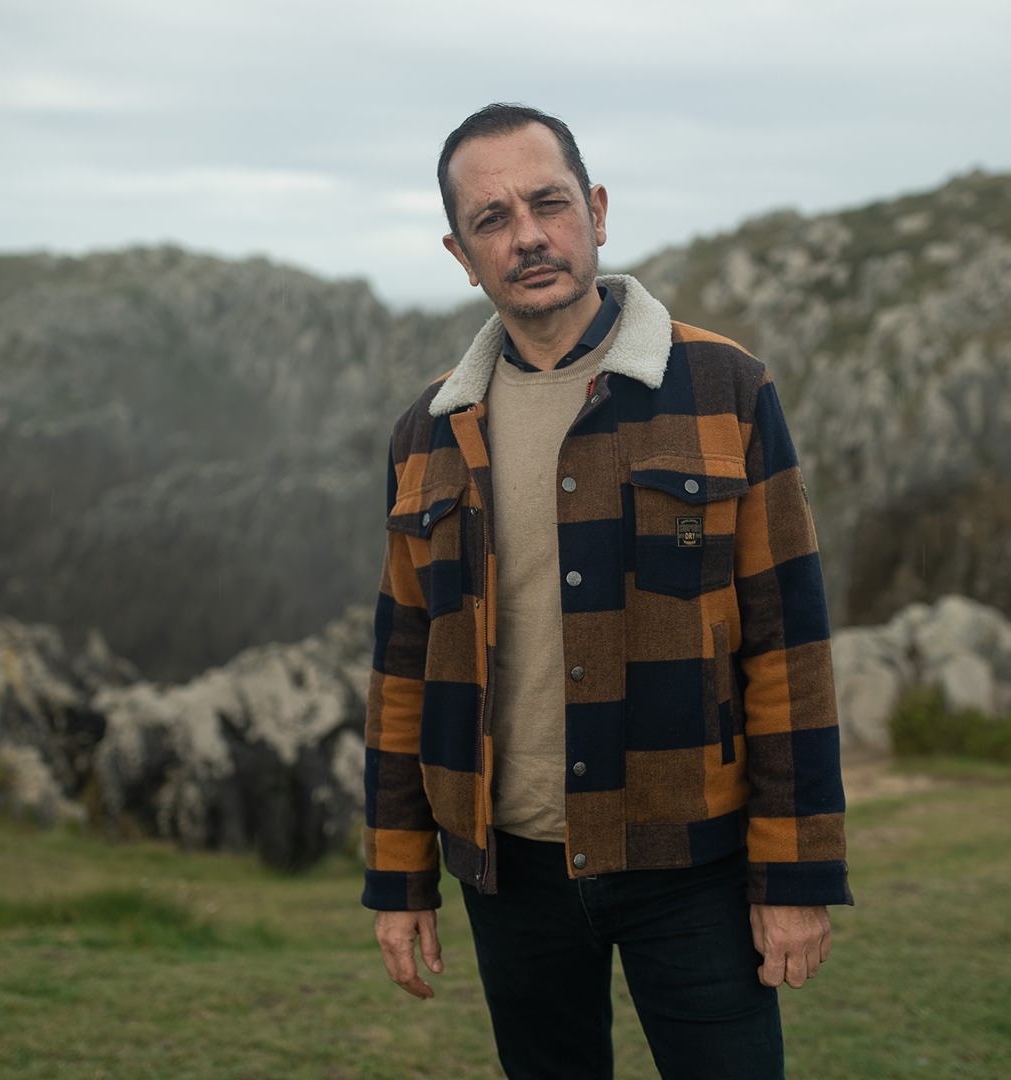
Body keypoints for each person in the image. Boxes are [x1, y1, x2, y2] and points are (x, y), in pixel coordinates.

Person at [362, 102, 851, 1079]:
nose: (527, 235)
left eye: (548, 203)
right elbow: (404, 666)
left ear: (595, 210)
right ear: (462, 255)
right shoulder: (430, 430)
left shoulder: (725, 389)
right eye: (492, 218)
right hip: (509, 874)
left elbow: (787, 645)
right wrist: (398, 874)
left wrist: (796, 873)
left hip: (695, 866)